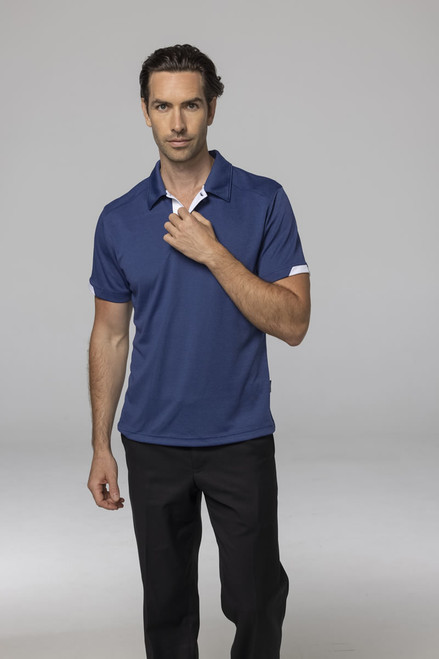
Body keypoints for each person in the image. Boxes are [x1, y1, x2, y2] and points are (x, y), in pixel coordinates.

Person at [87, 44, 310, 659]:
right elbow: (109, 334)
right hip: (151, 440)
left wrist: (213, 253)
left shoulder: (264, 201)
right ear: (145, 111)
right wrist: (101, 444)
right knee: (166, 607)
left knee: (257, 597)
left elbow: (293, 323)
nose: (178, 123)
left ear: (212, 107)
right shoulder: (119, 219)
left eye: (190, 105)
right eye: (163, 107)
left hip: (238, 435)